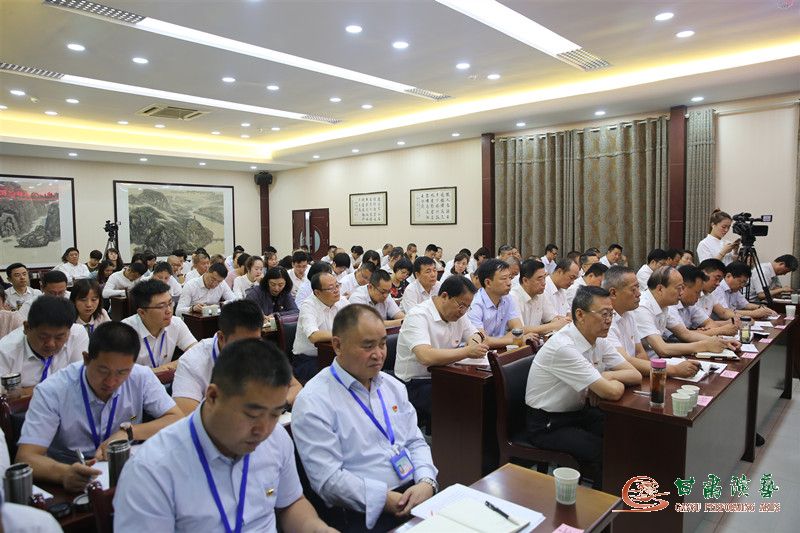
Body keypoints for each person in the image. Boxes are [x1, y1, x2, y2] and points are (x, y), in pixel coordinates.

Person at [113, 338, 335, 532]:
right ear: (212, 396)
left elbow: (291, 503)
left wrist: (315, 527)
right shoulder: (151, 470)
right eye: (252, 414)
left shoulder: (277, 439)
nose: (263, 430)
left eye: (275, 414)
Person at [293, 305, 438, 531]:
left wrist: (426, 481)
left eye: (382, 344)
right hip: (363, 511)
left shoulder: (393, 386)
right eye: (368, 346)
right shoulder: (314, 400)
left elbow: (415, 441)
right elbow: (329, 480)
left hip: (415, 491)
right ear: (338, 345)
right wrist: (386, 500)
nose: (379, 354)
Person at [15, 322, 183, 491]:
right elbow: (26, 457)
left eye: (122, 372)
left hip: (128, 473)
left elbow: (177, 418)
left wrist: (128, 432)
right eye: (103, 371)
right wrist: (64, 473)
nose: (111, 382)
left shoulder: (141, 376)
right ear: (86, 359)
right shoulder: (52, 390)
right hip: (73, 477)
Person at [525, 286, 640, 487]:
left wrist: (606, 375)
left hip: (577, 413)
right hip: (548, 424)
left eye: (611, 314)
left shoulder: (598, 340)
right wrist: (603, 385)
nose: (609, 320)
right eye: (604, 314)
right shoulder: (564, 347)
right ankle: (602, 502)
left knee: (624, 430)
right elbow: (612, 392)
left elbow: (635, 375)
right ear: (580, 314)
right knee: (604, 450)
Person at [172, 300, 302, 415]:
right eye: (241, 343)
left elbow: (295, 387)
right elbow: (187, 415)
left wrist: (277, 406)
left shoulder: (261, 350)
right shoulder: (192, 362)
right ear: (221, 338)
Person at [395, 276, 489, 428]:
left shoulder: (459, 314)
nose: (463, 312)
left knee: (481, 392)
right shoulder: (418, 315)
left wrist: (475, 342)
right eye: (461, 305)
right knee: (463, 401)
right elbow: (425, 356)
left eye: (467, 307)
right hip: (416, 382)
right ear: (445, 296)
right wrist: (467, 351)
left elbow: (475, 334)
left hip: (445, 374)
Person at [604, 266, 700, 379]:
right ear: (613, 293)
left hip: (637, 374)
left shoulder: (628, 314)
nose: (639, 293)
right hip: (616, 379)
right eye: (633, 289)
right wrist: (673, 370)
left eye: (638, 287)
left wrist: (654, 376)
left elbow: (640, 353)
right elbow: (625, 360)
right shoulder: (605, 320)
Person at [632, 266, 737, 358]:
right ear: (660, 289)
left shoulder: (663, 304)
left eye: (682, 288)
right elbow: (663, 349)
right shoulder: (643, 307)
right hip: (649, 365)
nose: (682, 293)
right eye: (679, 288)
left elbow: (685, 334)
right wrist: (705, 345)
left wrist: (722, 342)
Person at [0, 296, 89, 394]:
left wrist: (24, 392)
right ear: (27, 327)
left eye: (59, 337)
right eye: (43, 337)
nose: (51, 344)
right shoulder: (5, 351)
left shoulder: (77, 334)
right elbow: (6, 397)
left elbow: (80, 381)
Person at [123, 280, 197, 370]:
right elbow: (121, 372)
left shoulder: (176, 323)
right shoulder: (124, 332)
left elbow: (196, 352)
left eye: (170, 303)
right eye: (161, 306)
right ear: (142, 312)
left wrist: (166, 367)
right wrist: (156, 372)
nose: (169, 311)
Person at [292, 272, 350, 384]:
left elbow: (357, 322)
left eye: (337, 285)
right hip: (308, 359)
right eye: (331, 288)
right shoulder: (308, 305)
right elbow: (314, 336)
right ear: (317, 293)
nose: (336, 290)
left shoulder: (342, 301)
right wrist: (344, 334)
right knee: (338, 379)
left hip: (334, 355)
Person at [467, 259, 536, 347]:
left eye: (510, 278)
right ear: (488, 283)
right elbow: (481, 340)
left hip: (501, 348)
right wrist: (515, 340)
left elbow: (518, 328)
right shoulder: (475, 304)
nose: (509, 283)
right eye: (504, 279)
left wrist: (501, 341)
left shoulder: (507, 298)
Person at [669, 266, 738, 337]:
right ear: (683, 288)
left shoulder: (690, 305)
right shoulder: (670, 306)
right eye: (697, 292)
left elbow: (710, 323)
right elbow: (683, 335)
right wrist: (720, 330)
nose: (699, 296)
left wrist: (704, 332)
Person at [510, 259, 570, 335]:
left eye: (544, 278)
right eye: (539, 279)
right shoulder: (513, 297)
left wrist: (561, 321)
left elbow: (551, 318)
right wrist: (553, 326)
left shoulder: (541, 294)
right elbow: (519, 330)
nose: (544, 283)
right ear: (525, 281)